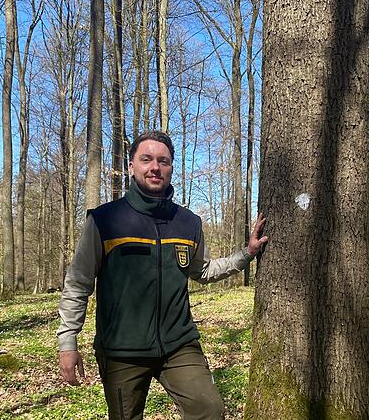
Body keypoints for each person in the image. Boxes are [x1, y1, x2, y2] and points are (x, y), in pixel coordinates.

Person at [57, 131, 268, 420]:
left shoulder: (188, 222)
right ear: (132, 166)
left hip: (178, 345)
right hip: (121, 350)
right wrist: (68, 342)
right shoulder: (104, 220)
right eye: (146, 159)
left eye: (163, 161)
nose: (155, 167)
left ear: (171, 168)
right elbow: (78, 283)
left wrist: (247, 253)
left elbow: (203, 270)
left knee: (208, 410)